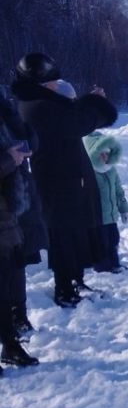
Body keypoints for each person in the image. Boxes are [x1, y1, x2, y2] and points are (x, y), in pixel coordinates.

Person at [11, 53, 117, 307]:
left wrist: (89, 100)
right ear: (38, 82)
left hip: (66, 177)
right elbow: (77, 123)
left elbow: (69, 113)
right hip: (56, 181)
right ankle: (64, 290)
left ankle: (75, 280)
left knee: (74, 232)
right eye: (49, 82)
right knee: (63, 236)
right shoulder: (37, 105)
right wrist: (97, 104)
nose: (54, 85)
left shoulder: (40, 101)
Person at [0, 88, 47, 335]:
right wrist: (10, 159)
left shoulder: (5, 108)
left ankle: (18, 317)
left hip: (16, 199)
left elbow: (32, 143)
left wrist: (13, 116)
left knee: (17, 263)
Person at [0, 116, 40, 371]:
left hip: (6, 214)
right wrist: (8, 159)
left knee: (4, 286)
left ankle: (10, 344)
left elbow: (29, 137)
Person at [83, 132, 128, 273]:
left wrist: (124, 209)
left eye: (107, 153)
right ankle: (101, 266)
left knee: (113, 240)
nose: (105, 157)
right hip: (96, 218)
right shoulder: (88, 172)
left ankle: (114, 264)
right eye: (101, 154)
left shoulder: (111, 170)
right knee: (100, 242)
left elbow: (118, 191)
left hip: (111, 216)